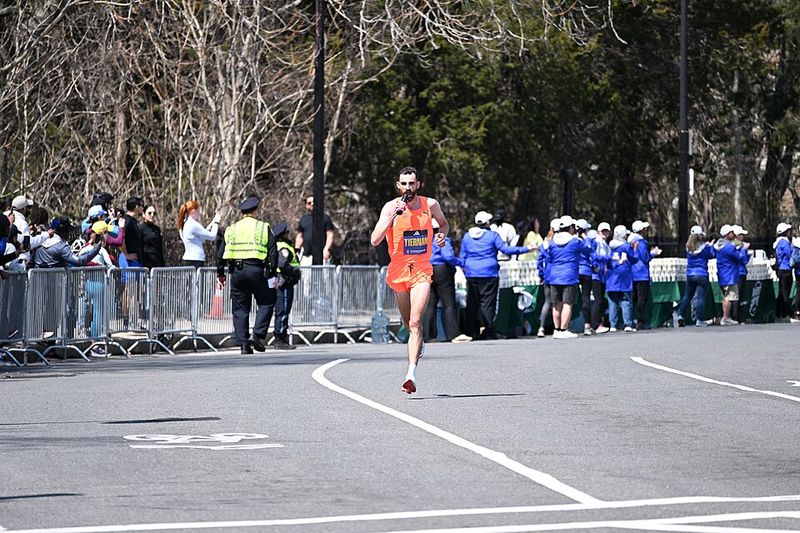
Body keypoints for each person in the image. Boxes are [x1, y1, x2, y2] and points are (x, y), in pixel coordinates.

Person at [370, 166, 448, 395]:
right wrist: (394, 215)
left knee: (415, 322)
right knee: (407, 323)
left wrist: (442, 235)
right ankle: (418, 343)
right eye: (404, 184)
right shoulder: (390, 207)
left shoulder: (430, 205)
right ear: (398, 186)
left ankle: (410, 375)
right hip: (398, 270)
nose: (408, 188)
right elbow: (375, 240)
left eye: (411, 183)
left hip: (422, 269)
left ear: (418, 184)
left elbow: (443, 224)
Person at [216, 196, 278, 354]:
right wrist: (270, 272)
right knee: (267, 302)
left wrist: (220, 273)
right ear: (255, 210)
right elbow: (272, 252)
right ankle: (256, 336)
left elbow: (220, 253)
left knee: (240, 308)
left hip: (237, 272)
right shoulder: (263, 227)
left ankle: (244, 345)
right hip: (257, 271)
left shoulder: (232, 229)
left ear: (242, 212)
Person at [459, 210, 532, 341]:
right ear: (487, 223)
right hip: (489, 272)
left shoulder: (467, 236)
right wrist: (526, 248)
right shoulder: (492, 235)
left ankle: (470, 331)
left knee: (472, 303)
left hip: (472, 272)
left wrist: (465, 268)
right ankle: (488, 330)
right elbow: (506, 250)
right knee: (488, 304)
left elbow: (462, 256)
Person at [541, 215, 590, 339]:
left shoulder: (552, 242)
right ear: (571, 228)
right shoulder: (575, 241)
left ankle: (556, 330)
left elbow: (548, 256)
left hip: (554, 276)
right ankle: (564, 329)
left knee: (556, 304)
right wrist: (585, 237)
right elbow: (588, 249)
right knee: (568, 303)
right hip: (569, 275)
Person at [424, 218, 463, 342]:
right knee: (449, 304)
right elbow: (448, 256)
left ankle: (428, 335)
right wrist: (460, 262)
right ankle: (453, 334)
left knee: (430, 304)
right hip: (442, 271)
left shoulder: (423, 240)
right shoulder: (441, 239)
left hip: (427, 270)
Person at [677, 225, 715, 327]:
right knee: (700, 298)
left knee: (687, 296)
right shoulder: (705, 247)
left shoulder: (688, 247)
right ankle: (699, 319)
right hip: (701, 274)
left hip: (690, 274)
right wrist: (711, 245)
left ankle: (680, 314)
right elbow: (712, 254)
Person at [271, 221, 300, 350]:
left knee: (281, 309)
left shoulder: (277, 245)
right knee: (283, 310)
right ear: (283, 234)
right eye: (287, 232)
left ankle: (280, 336)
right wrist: (295, 271)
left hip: (281, 281)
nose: (289, 234)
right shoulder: (283, 247)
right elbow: (282, 264)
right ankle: (280, 338)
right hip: (285, 282)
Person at [629, 220, 662, 330]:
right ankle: (640, 321)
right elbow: (645, 257)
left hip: (632, 272)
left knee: (632, 299)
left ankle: (629, 320)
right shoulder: (642, 242)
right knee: (641, 299)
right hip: (642, 273)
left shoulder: (629, 241)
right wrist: (653, 253)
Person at [605, 225, 638, 332]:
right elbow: (634, 258)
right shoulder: (626, 247)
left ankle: (613, 325)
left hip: (611, 275)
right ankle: (627, 323)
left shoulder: (609, 246)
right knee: (626, 300)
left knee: (613, 301)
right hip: (624, 275)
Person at [714, 224, 749, 326]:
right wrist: (744, 249)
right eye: (731, 233)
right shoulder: (728, 247)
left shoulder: (719, 246)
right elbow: (740, 258)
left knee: (726, 297)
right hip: (729, 275)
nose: (733, 235)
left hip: (722, 273)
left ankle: (726, 316)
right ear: (727, 234)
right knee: (730, 297)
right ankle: (725, 317)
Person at [33, 217, 102, 268]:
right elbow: (79, 261)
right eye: (67, 230)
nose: (69, 233)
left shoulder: (39, 240)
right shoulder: (61, 247)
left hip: (36, 284)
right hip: (54, 284)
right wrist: (97, 248)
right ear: (62, 231)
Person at [535, 218, 560, 337]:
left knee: (547, 302)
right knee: (558, 302)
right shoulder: (559, 242)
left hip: (547, 275)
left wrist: (541, 274)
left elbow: (539, 260)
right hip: (557, 275)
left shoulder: (545, 241)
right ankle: (559, 327)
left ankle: (541, 327)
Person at [178, 200, 220, 268]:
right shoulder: (193, 224)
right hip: (195, 260)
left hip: (188, 259)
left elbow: (201, 239)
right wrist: (217, 222)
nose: (199, 213)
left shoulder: (185, 223)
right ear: (193, 211)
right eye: (198, 211)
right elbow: (212, 236)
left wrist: (212, 223)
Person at [295, 195, 335, 265]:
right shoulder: (303, 219)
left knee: (323, 276)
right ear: (306, 205)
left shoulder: (325, 218)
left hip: (322, 257)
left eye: (314, 202)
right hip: (306, 257)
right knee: (305, 276)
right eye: (309, 203)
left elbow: (330, 235)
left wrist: (326, 249)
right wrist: (296, 251)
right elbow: (299, 237)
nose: (312, 204)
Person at [591, 222, 612, 333]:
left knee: (600, 300)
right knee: (598, 300)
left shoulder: (605, 244)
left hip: (603, 275)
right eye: (603, 231)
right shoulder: (596, 242)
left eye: (606, 231)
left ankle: (599, 322)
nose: (605, 233)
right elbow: (593, 256)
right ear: (598, 231)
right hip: (596, 274)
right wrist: (605, 259)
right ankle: (595, 324)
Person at [575, 219, 593, 335]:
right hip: (585, 271)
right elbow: (590, 248)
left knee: (571, 299)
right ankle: (587, 325)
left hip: (575, 271)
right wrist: (585, 237)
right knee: (586, 298)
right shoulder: (585, 241)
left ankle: (569, 325)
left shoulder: (573, 240)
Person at [773, 222, 795, 322]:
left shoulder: (778, 242)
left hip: (781, 269)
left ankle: (778, 313)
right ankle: (785, 314)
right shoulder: (784, 242)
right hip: (786, 269)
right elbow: (790, 253)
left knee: (782, 292)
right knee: (785, 292)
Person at [732, 224, 750, 324]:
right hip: (738, 273)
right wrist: (744, 250)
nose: (743, 236)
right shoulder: (737, 245)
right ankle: (736, 316)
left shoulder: (740, 244)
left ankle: (737, 316)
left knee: (739, 295)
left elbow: (745, 260)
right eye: (741, 234)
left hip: (741, 272)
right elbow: (741, 259)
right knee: (736, 295)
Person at [120, 197, 145, 268]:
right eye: (141, 206)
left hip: (136, 260)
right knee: (130, 279)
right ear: (136, 207)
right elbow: (121, 238)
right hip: (129, 261)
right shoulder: (127, 220)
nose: (142, 208)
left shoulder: (134, 221)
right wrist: (126, 254)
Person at [10, 195, 33, 269]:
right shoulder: (22, 223)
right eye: (27, 207)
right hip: (19, 262)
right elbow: (26, 244)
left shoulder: (8, 217)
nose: (28, 210)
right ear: (23, 209)